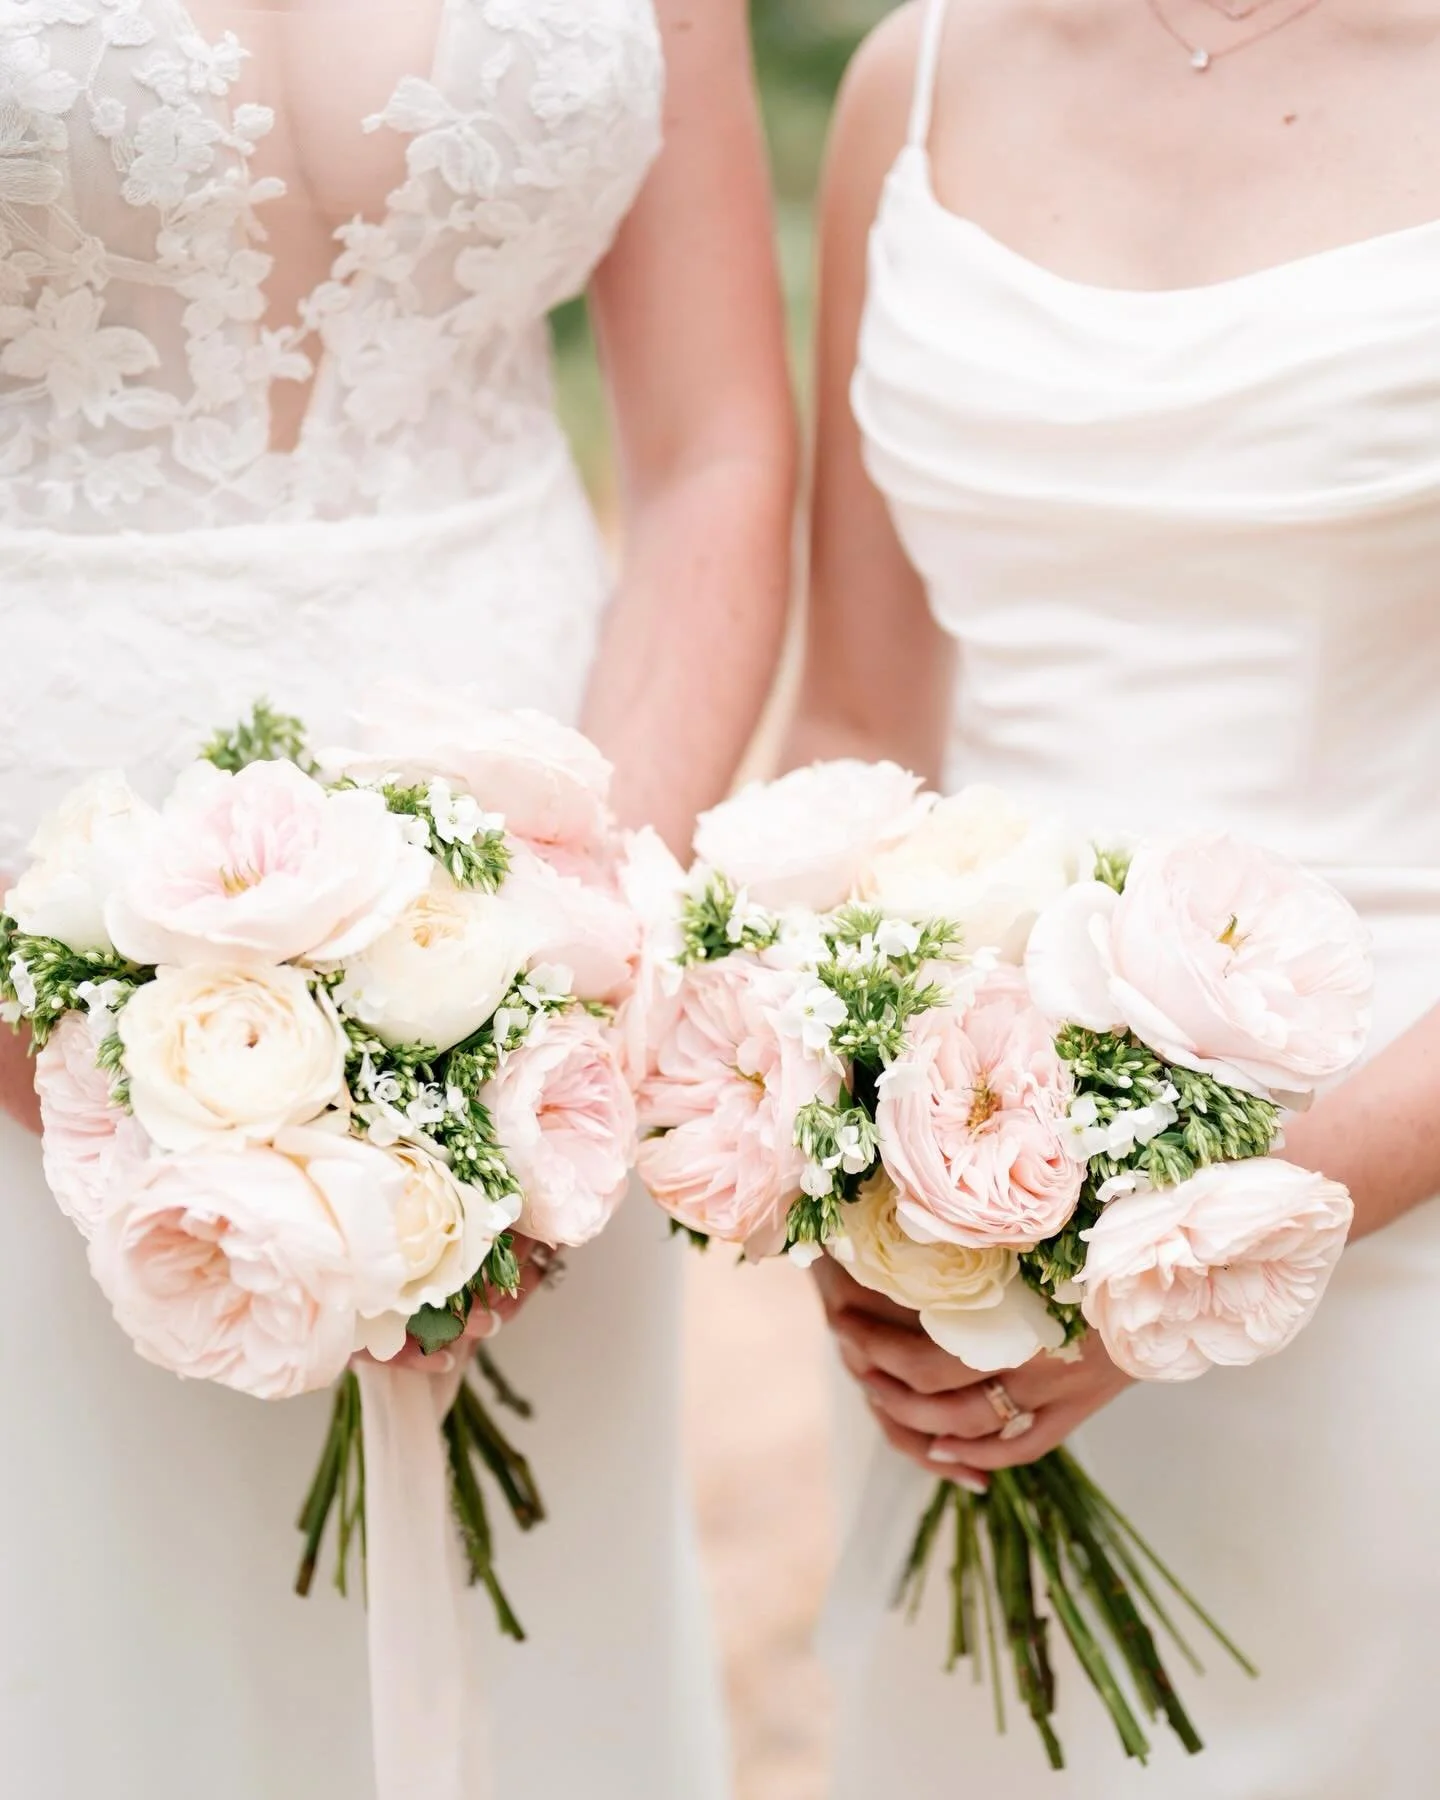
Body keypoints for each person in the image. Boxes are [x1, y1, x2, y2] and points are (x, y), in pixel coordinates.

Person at [0, 3, 794, 1795]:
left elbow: (717, 455)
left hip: (527, 928)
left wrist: (574, 956)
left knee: (510, 1635)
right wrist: (43, 1007)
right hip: (37, 875)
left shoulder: (555, 978)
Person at [789, 0, 1440, 1792]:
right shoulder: (905, 85)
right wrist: (840, 1155)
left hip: (1392, 1172)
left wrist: (1195, 1256)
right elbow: (855, 711)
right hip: (974, 1193)